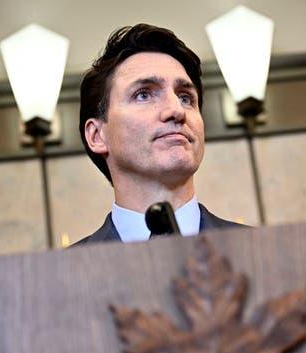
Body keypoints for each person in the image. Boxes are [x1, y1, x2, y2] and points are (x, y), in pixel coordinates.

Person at [72, 24, 244, 245]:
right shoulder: (59, 275)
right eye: (143, 95)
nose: (176, 110)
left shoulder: (264, 250)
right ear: (97, 135)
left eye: (185, 97)